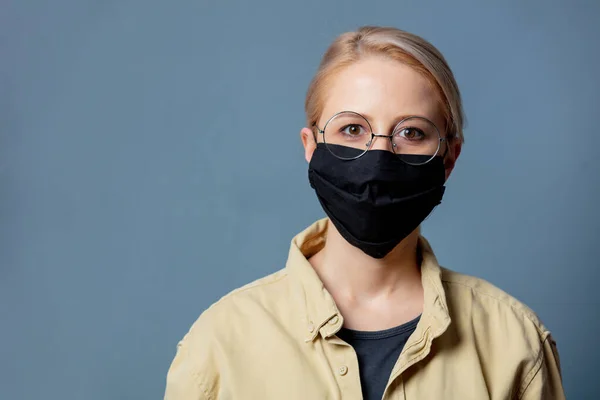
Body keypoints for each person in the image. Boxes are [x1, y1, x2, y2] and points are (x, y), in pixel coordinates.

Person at [164, 26, 565, 400]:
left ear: (449, 158)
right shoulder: (220, 343)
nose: (377, 161)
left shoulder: (513, 341)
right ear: (310, 146)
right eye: (352, 128)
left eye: (412, 132)